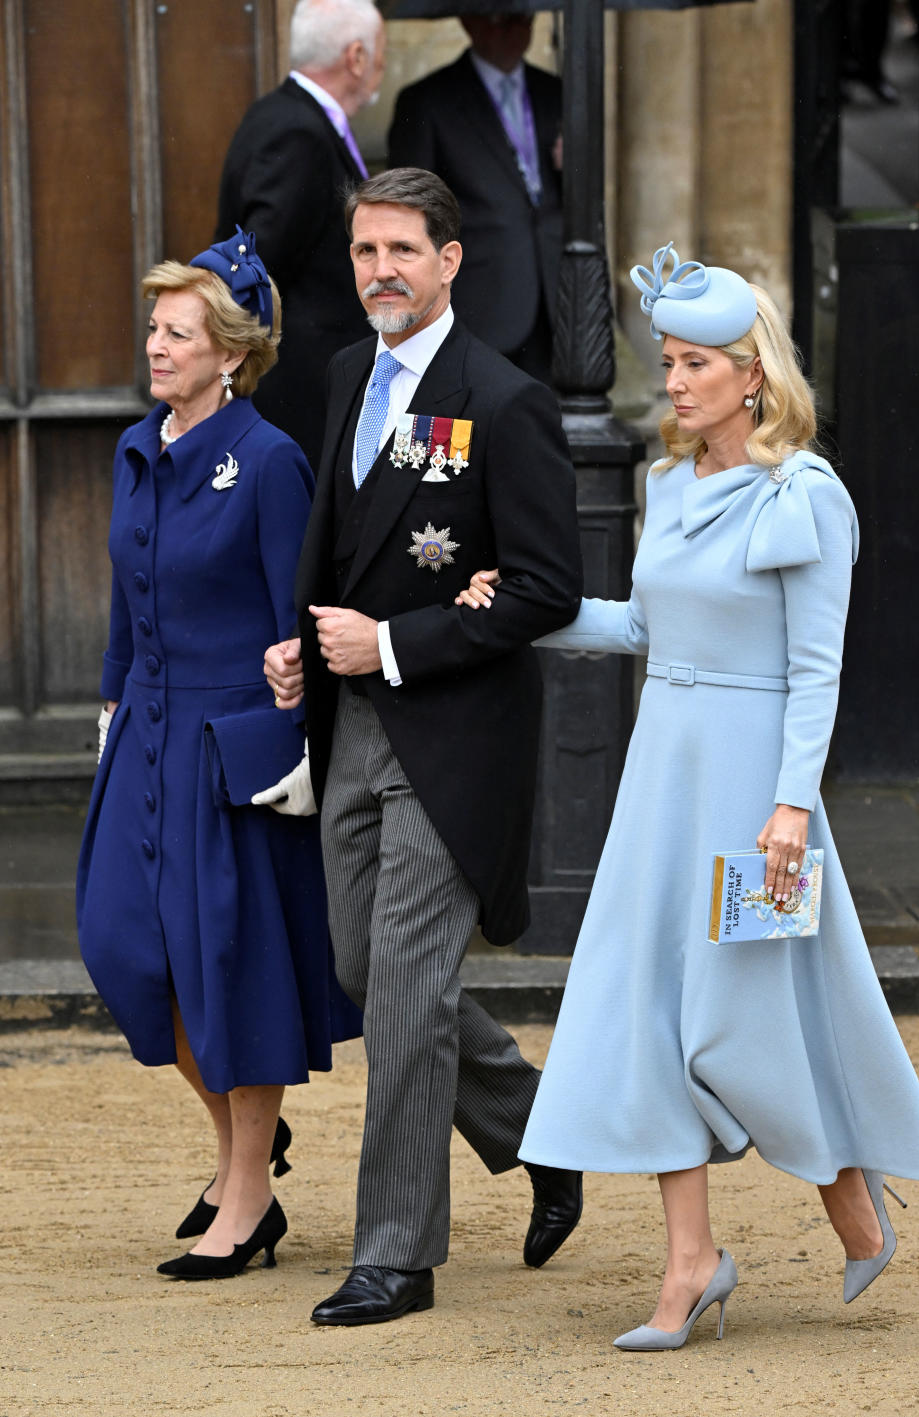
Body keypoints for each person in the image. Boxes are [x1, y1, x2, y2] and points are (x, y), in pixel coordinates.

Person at [457, 243, 919, 1350]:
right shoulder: (667, 482)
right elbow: (642, 627)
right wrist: (526, 609)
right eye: (668, 361)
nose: (673, 382)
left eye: (694, 363)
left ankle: (850, 1197)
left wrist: (790, 804)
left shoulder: (807, 495)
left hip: (752, 791)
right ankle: (691, 1265)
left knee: (749, 1023)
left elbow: (818, 667)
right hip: (663, 774)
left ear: (752, 374)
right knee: (655, 1016)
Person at [256, 167, 584, 1326]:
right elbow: (337, 547)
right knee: (362, 970)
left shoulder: (506, 399)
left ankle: (397, 1253)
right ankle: (544, 1133)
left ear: (452, 260)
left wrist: (395, 642)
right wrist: (302, 647)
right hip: (351, 728)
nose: (380, 271)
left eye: (401, 249)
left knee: (402, 990)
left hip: (458, 739)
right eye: (363, 252)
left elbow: (548, 586)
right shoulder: (348, 373)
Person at [76, 228, 362, 1282]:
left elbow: (300, 611)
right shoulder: (136, 445)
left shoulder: (271, 460)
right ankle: (249, 1144)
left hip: (232, 739)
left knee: (225, 970)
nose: (156, 345)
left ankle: (247, 1191)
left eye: (178, 332)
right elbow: (122, 594)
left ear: (231, 354)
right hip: (144, 724)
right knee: (122, 946)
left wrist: (297, 733)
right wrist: (110, 707)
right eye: (154, 327)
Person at [214, 0, 385, 465]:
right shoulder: (298, 130)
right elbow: (258, 270)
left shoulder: (288, 115)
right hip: (297, 390)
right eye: (380, 50)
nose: (383, 66)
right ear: (356, 57)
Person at [387, 13, 562, 386]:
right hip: (478, 302)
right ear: (471, 22)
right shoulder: (428, 101)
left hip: (555, 302)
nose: (516, 29)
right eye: (502, 20)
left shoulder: (557, 92)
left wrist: (573, 167)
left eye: (525, 19)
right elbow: (409, 214)